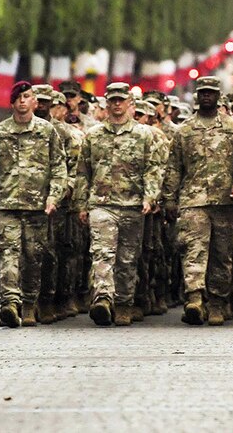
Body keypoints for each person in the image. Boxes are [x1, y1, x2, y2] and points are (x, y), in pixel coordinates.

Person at [75, 82, 167, 327]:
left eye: (121, 100)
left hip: (133, 205)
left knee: (127, 259)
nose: (117, 104)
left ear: (130, 103)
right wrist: (82, 204)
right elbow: (83, 171)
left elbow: (153, 169)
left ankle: (124, 303)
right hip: (101, 205)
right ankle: (103, 299)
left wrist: (150, 197)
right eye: (112, 100)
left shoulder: (144, 134)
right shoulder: (93, 136)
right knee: (102, 254)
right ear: (106, 103)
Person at [163, 76, 233, 326]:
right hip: (193, 201)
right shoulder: (185, 131)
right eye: (202, 93)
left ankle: (217, 303)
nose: (206, 96)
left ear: (218, 95)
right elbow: (173, 169)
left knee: (222, 256)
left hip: (226, 203)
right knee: (193, 250)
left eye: (211, 92)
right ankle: (194, 298)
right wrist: (169, 200)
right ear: (197, 96)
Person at [0, 81, 69, 327]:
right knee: (9, 256)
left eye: (27, 96)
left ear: (34, 102)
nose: (22, 101)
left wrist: (54, 197)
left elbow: (58, 168)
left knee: (33, 258)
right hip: (8, 206)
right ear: (12, 103)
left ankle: (29, 303)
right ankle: (9, 303)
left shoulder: (46, 131)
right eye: (18, 97)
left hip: (38, 207)